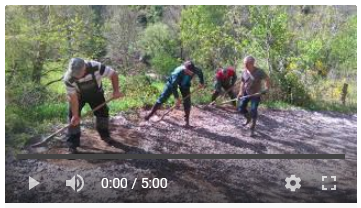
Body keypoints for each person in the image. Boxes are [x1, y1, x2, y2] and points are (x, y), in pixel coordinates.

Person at [63, 58, 122, 153]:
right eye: (75, 74)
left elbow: (113, 74)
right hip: (78, 96)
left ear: (84, 68)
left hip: (96, 94)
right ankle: (72, 144)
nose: (77, 77)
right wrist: (75, 115)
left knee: (103, 113)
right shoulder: (68, 78)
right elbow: (73, 99)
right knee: (73, 118)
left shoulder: (96, 67)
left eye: (78, 74)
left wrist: (116, 91)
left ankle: (105, 136)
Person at [145, 61, 205, 127]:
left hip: (185, 84)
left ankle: (186, 122)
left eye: (191, 72)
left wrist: (201, 82)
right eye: (188, 71)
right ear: (185, 69)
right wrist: (177, 98)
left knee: (187, 101)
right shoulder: (177, 73)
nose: (190, 73)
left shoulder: (195, 69)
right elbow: (174, 86)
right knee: (163, 97)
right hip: (172, 84)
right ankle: (149, 115)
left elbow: (200, 73)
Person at [237, 56, 270, 136]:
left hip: (256, 94)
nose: (245, 65)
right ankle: (248, 118)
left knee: (253, 109)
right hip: (246, 93)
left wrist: (266, 89)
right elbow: (242, 82)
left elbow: (267, 79)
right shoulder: (245, 71)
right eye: (244, 64)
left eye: (246, 64)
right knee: (241, 108)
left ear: (252, 64)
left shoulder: (259, 72)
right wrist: (240, 92)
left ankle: (252, 128)